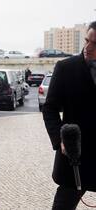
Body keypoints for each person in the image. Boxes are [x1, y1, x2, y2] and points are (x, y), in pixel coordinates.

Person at [42, 21, 96, 210]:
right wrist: (60, 140)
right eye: (87, 40)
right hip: (74, 159)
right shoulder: (65, 68)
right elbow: (49, 108)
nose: (87, 48)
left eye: (95, 44)